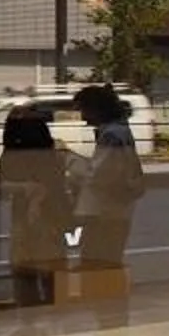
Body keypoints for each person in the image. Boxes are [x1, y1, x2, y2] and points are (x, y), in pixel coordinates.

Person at [70, 82, 147, 297]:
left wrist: (68, 160)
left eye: (85, 110)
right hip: (116, 211)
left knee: (100, 260)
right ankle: (110, 310)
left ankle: (108, 310)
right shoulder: (119, 132)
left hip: (105, 212)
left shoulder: (112, 136)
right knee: (108, 259)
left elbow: (98, 175)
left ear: (96, 109)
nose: (84, 118)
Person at [0, 104, 69, 306]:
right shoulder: (54, 154)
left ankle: (30, 316)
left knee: (25, 270)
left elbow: (1, 186)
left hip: (29, 219)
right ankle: (52, 314)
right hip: (50, 217)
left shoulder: (11, 155)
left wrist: (24, 190)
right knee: (50, 270)